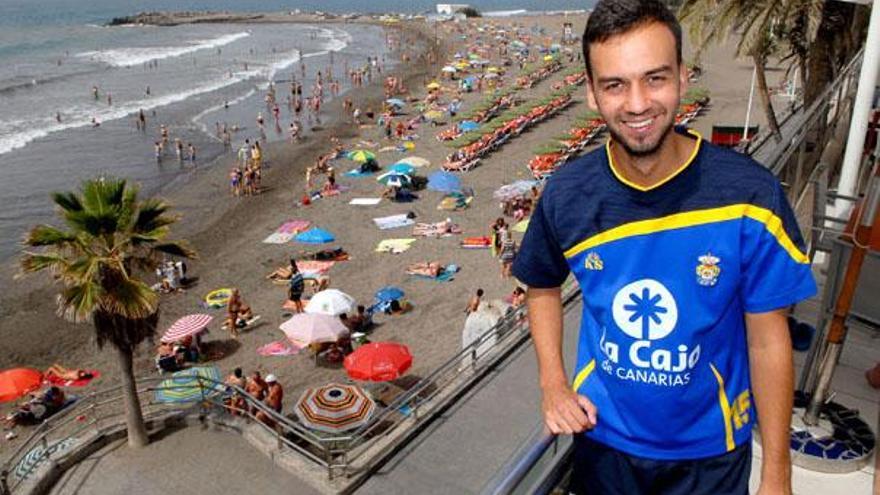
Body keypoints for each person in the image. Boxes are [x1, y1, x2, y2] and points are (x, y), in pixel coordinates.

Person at [511, 2, 817, 494]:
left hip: (712, 450)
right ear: (591, 93)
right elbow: (541, 285)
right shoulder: (568, 193)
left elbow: (768, 340)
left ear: (681, 76)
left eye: (654, 78)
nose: (636, 104)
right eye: (615, 85)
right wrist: (554, 385)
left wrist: (777, 474)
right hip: (603, 440)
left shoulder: (751, 197)